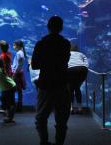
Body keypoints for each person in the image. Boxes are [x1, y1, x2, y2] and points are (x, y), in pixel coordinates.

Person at [31, 16, 71, 145]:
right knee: (62, 119)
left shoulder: (41, 43)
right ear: (61, 27)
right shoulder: (65, 43)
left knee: (41, 117)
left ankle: (44, 141)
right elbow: (65, 61)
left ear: (48, 27)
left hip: (46, 83)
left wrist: (46, 63)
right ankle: (59, 143)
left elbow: (35, 65)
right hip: (62, 83)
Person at [67, 44, 89, 114]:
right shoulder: (81, 54)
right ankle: (80, 108)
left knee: (70, 89)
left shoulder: (67, 53)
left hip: (70, 70)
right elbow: (86, 63)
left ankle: (71, 108)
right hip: (82, 70)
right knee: (77, 88)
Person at [12, 40, 27, 112]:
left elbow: (20, 64)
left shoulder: (19, 53)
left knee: (17, 90)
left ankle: (17, 107)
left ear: (18, 46)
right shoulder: (21, 53)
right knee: (19, 90)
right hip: (18, 73)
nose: (13, 47)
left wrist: (15, 73)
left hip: (17, 73)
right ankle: (19, 106)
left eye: (14, 45)